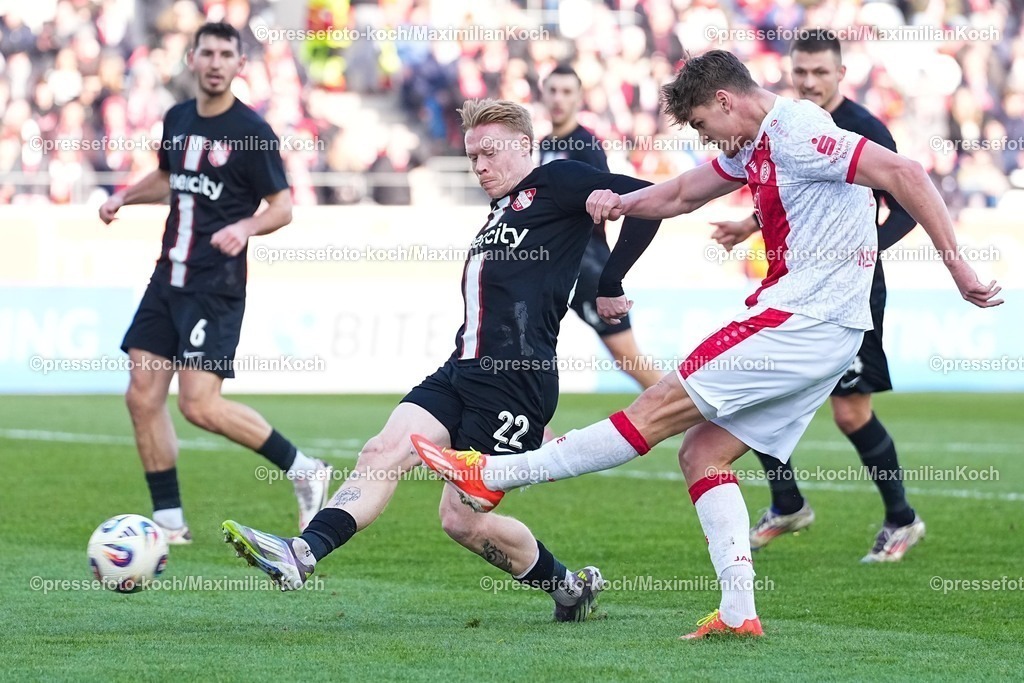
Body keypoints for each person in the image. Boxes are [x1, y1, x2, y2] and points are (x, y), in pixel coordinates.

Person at [412, 50, 1003, 640]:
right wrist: (617, 203)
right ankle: (740, 612)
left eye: (700, 124)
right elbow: (678, 196)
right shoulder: (750, 144)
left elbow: (908, 174)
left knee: (653, 411)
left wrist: (960, 272)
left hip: (801, 318)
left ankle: (496, 474)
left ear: (725, 101)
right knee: (702, 455)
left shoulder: (796, 131)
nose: (704, 138)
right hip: (826, 329)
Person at [221, 98, 662, 622]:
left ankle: (568, 588)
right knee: (382, 450)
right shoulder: (501, 210)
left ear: (525, 146)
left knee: (462, 519)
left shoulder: (561, 180)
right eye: (472, 156)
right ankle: (302, 553)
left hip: (516, 383)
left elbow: (649, 200)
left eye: (489, 153)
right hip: (461, 368)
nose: (479, 166)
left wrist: (611, 283)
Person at [98, 22, 331, 544]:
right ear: (192, 59)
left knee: (198, 404)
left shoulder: (252, 131)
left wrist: (244, 227)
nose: (216, 62)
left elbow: (283, 206)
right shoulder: (177, 118)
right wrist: (122, 197)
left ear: (240, 65)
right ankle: (169, 524)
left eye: (228, 54)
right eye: (208, 52)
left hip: (215, 284)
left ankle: (303, 469)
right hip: (168, 278)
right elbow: (167, 176)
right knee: (141, 396)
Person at [709, 30, 923, 562]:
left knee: (850, 414)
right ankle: (788, 503)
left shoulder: (863, 128)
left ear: (840, 75)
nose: (809, 82)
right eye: (800, 72)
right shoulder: (781, 125)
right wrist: (752, 224)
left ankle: (902, 519)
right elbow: (801, 201)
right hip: (795, 288)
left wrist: (865, 250)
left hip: (849, 294)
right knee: (756, 388)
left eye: (820, 73)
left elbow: (906, 202)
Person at [539, 64, 662, 389]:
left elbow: (609, 205)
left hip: (585, 263)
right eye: (552, 90)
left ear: (579, 98)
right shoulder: (541, 146)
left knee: (628, 358)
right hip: (551, 265)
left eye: (566, 92)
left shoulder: (586, 146)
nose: (558, 99)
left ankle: (690, 414)